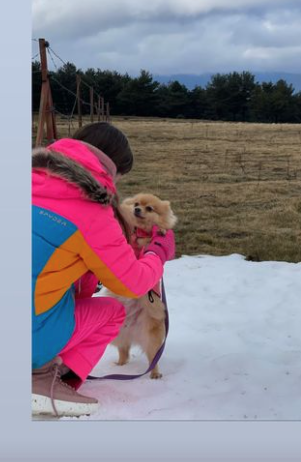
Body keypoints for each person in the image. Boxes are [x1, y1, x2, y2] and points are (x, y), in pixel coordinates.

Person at [32, 122, 175, 417]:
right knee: (112, 312)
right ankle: (45, 382)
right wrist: (157, 252)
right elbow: (133, 283)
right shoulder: (91, 210)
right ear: (112, 170)